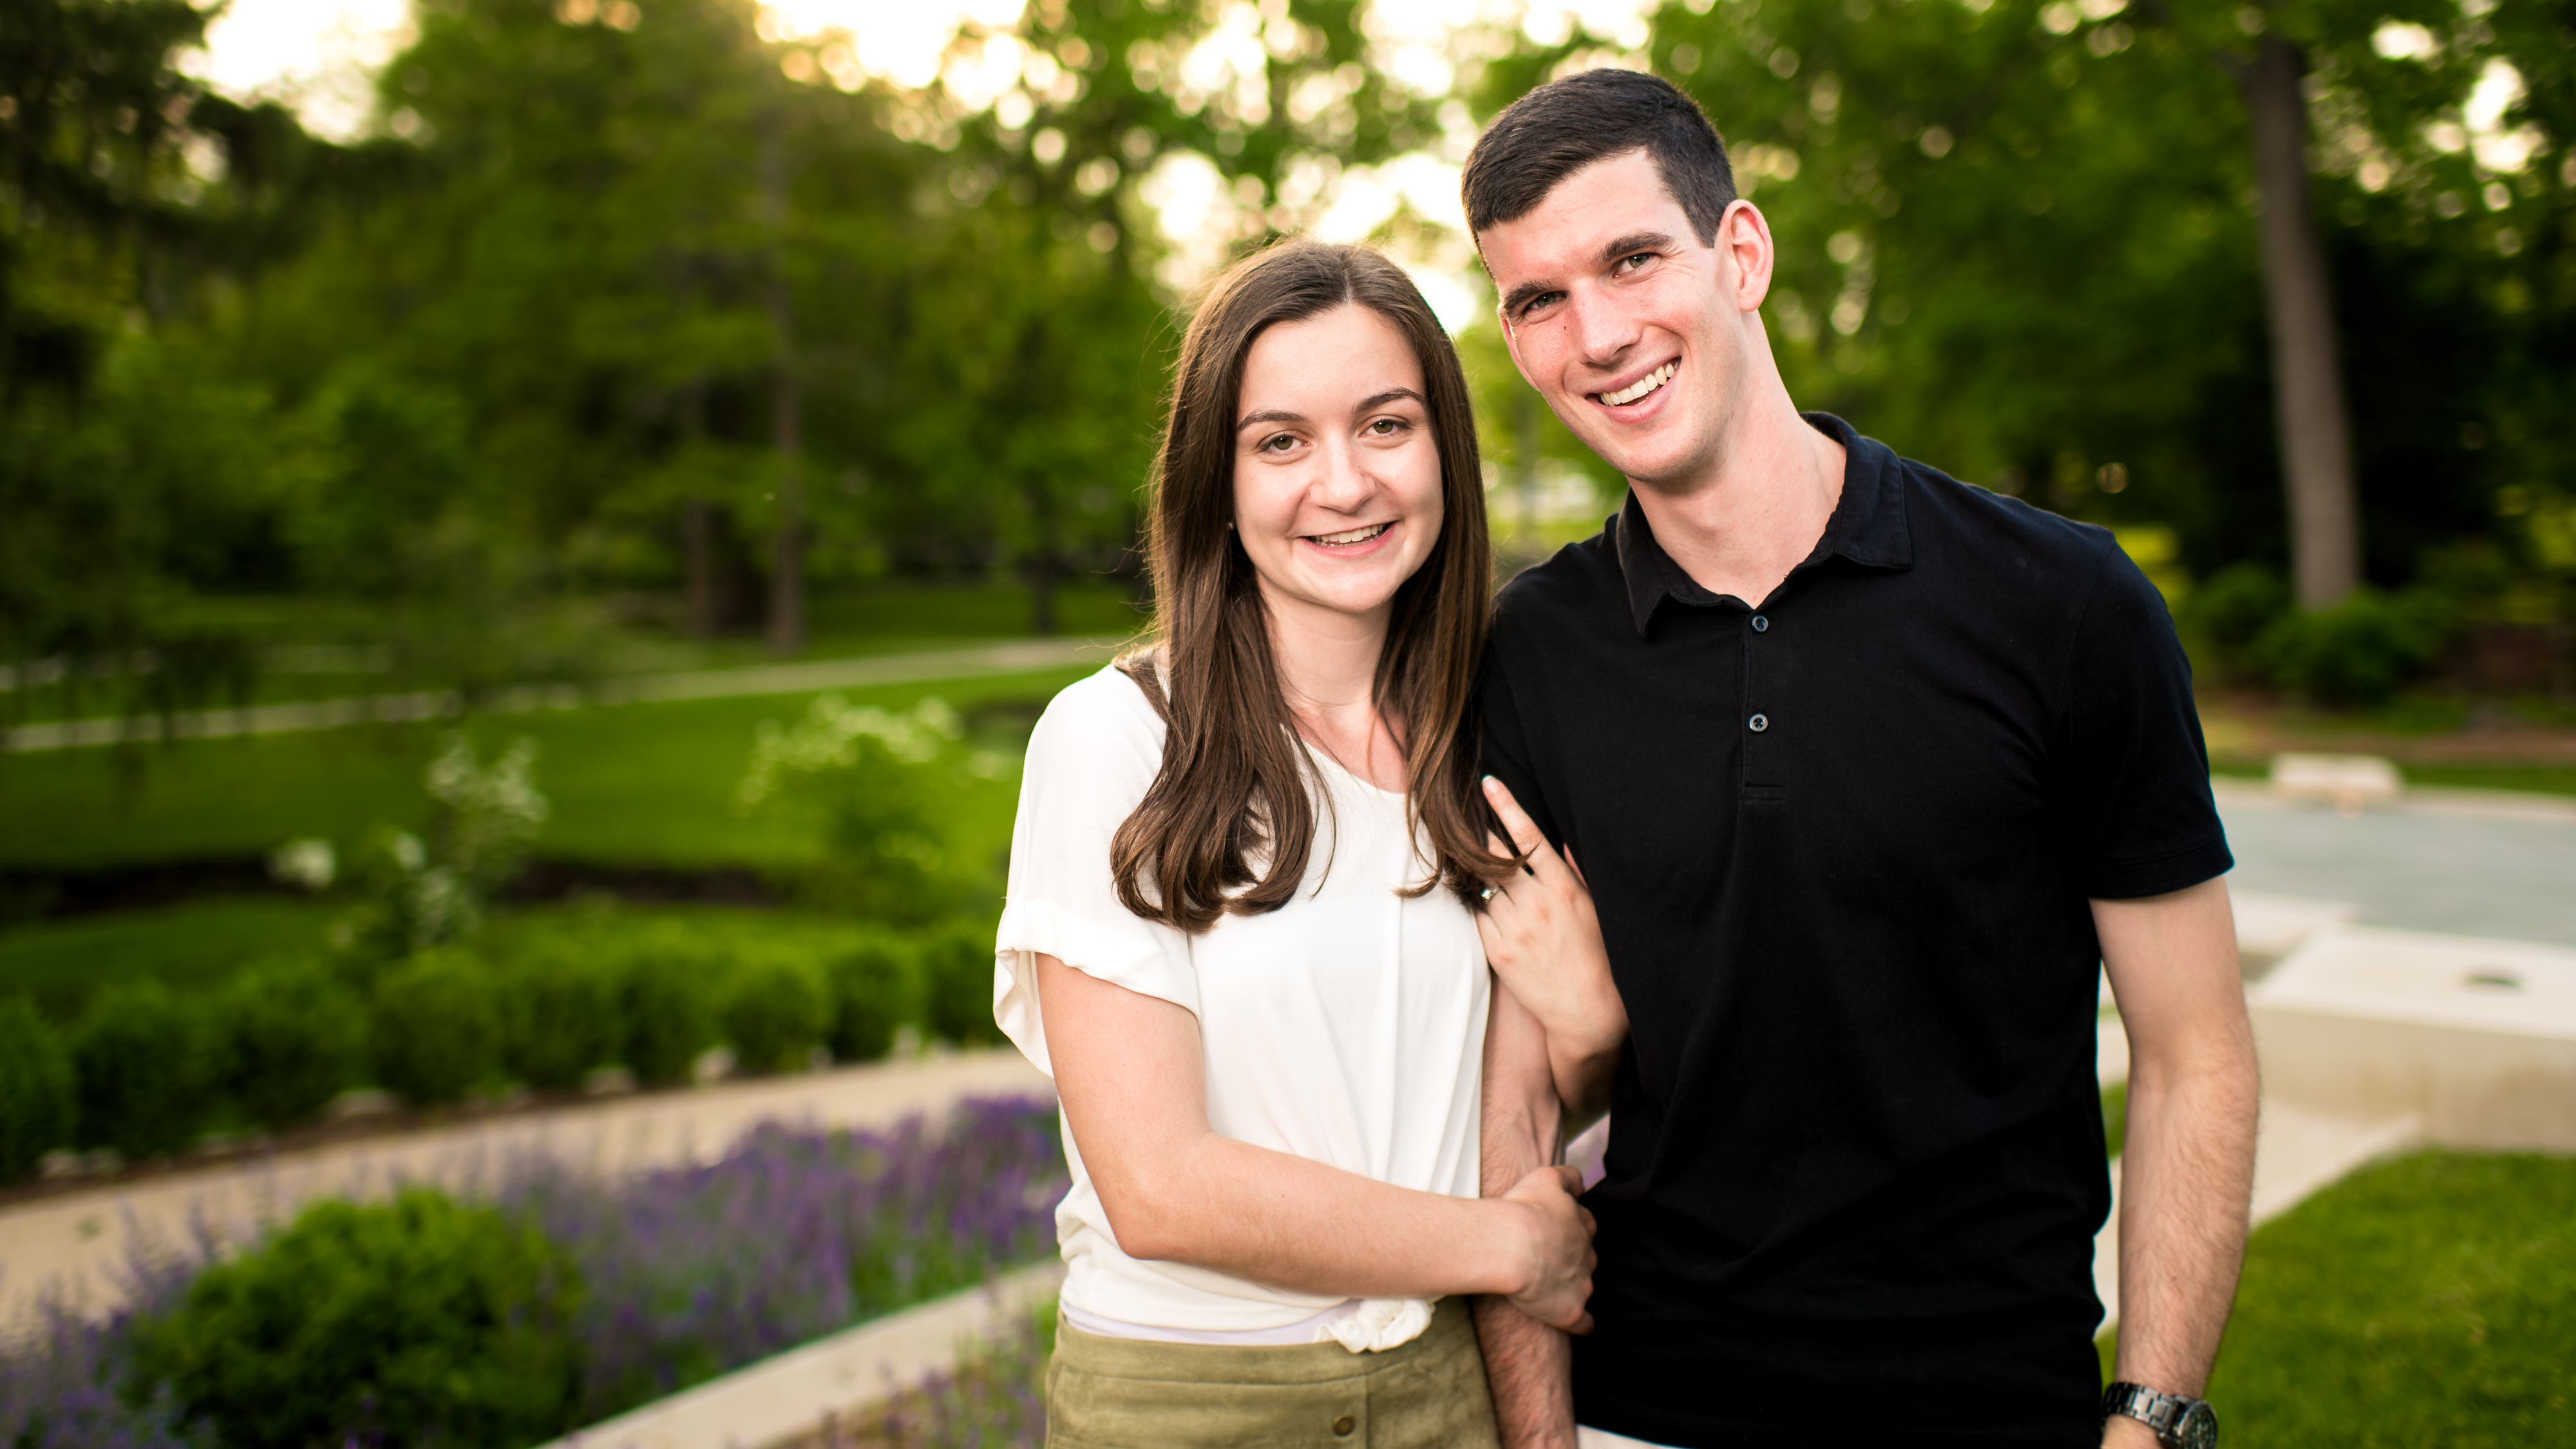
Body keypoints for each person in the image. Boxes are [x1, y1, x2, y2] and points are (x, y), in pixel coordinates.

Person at [1458, 70, 2262, 1449]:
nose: (1595, 334)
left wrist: (2149, 1413)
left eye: (1631, 259)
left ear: (1741, 253)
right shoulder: (1534, 649)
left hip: (1986, 1400)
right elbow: (1514, 1111)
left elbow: (2196, 1055)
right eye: (1536, 299)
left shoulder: (2058, 602)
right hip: (1651, 1404)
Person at [992, 236, 1599, 1448]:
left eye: (1386, 425)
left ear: (1444, 452)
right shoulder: (1117, 743)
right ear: (1215, 479)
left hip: (1448, 1393)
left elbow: (1500, 1112)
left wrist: (1593, 1028)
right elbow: (1160, 1185)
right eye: (1281, 441)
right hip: (1191, 1401)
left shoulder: (1485, 750)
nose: (1344, 482)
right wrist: (1506, 1244)